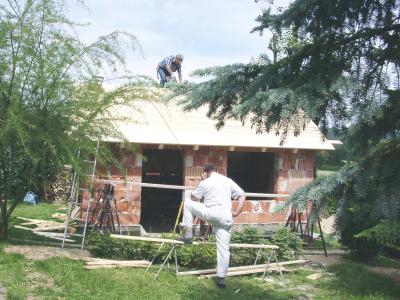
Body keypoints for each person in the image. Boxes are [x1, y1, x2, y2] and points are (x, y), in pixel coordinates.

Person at [180, 163, 246, 288]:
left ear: (205, 172)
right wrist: (237, 212)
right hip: (226, 218)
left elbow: (193, 197)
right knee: (223, 249)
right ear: (217, 170)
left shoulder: (206, 181)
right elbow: (242, 195)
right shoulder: (228, 180)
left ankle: (188, 235)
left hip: (211, 214)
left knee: (187, 203)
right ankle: (221, 279)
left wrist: (201, 181)